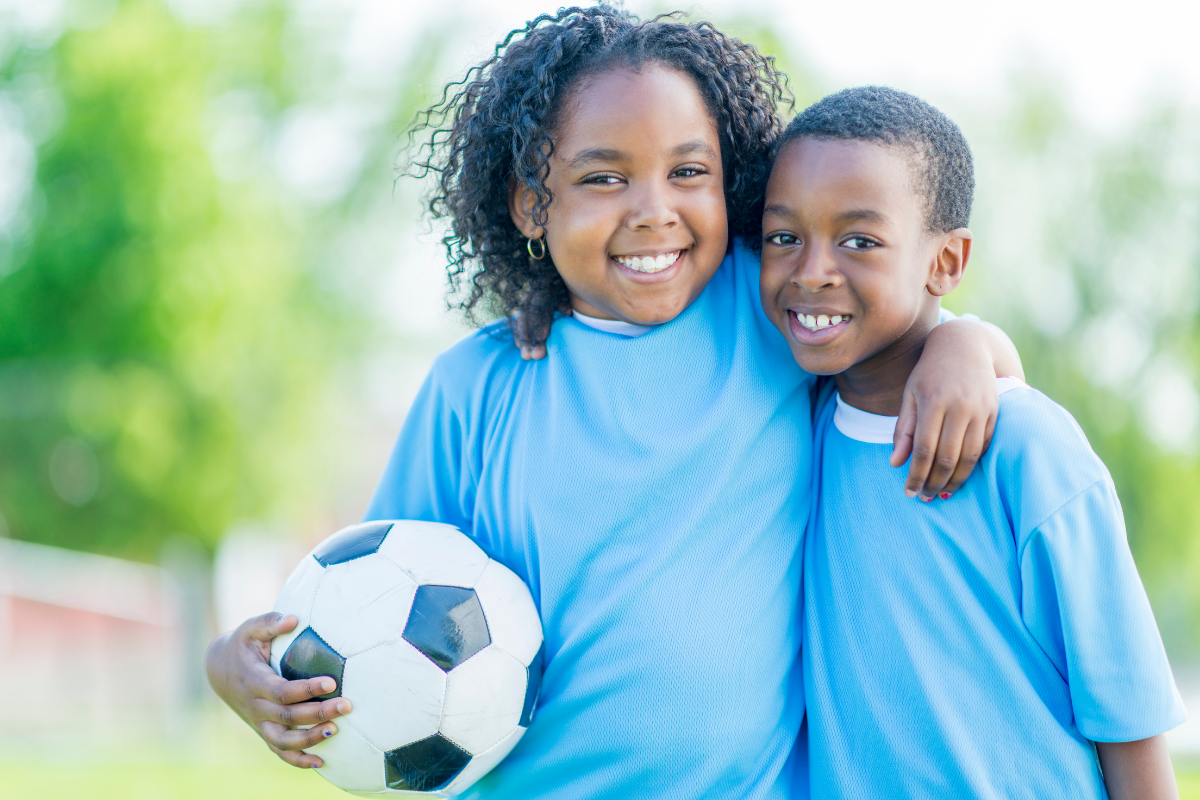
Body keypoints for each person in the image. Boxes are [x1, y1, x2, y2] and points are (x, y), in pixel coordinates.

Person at [206, 9, 1022, 799]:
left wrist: (964, 340)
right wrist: (231, 668)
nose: (653, 210)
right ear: (533, 202)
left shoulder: (766, 313)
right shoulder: (476, 387)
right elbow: (364, 604)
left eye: (688, 172)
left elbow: (911, 331)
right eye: (604, 177)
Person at [760, 85, 1187, 799]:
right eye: (782, 237)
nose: (812, 270)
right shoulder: (792, 432)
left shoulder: (1027, 448)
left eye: (860, 240)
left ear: (947, 263)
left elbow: (1130, 724)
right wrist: (969, 337)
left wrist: (969, 338)